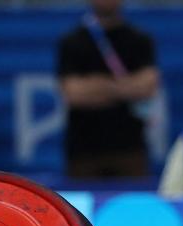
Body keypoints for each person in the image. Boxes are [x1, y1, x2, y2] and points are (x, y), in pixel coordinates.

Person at [57, 0, 159, 179]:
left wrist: (96, 85)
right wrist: (125, 87)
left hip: (130, 147)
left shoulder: (140, 40)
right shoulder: (71, 42)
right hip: (83, 150)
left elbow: (147, 88)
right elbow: (74, 94)